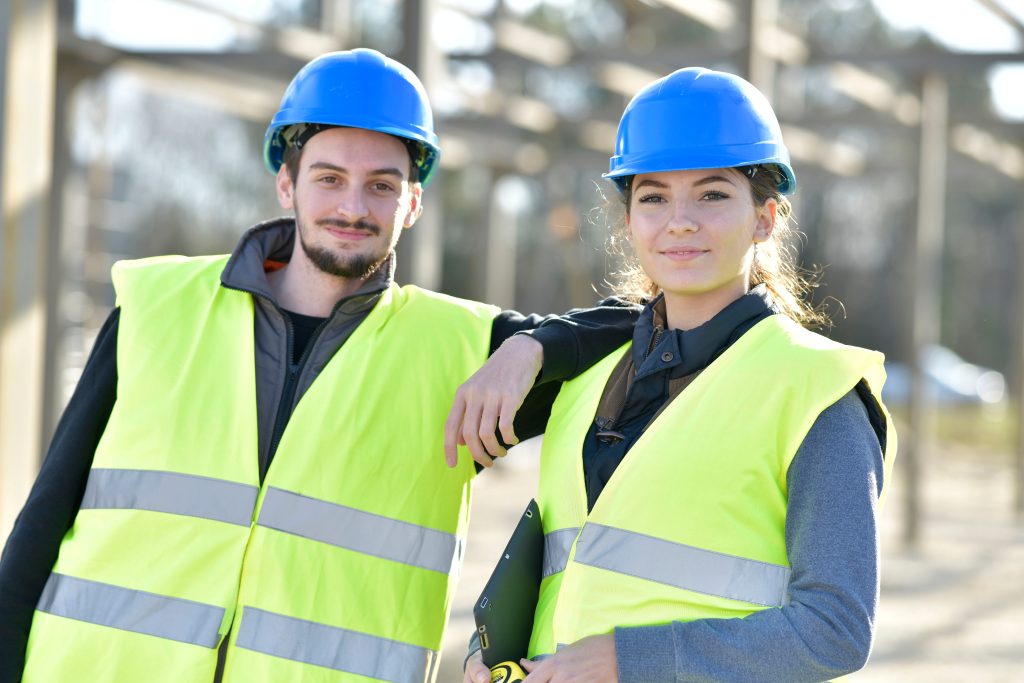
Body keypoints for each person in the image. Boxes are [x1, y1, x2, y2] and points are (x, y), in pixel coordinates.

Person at [0, 49, 638, 683]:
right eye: (329, 178)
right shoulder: (157, 309)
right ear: (287, 184)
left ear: (413, 202)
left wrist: (534, 346)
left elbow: (656, 324)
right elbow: (43, 520)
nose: (353, 207)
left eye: (381, 185)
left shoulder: (466, 351)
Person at [454, 67, 896, 683]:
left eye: (712, 195)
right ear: (628, 219)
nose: (679, 221)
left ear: (766, 218)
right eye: (654, 196)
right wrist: (492, 652)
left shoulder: (816, 389)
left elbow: (834, 631)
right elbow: (567, 564)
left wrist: (626, 660)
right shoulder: (587, 381)